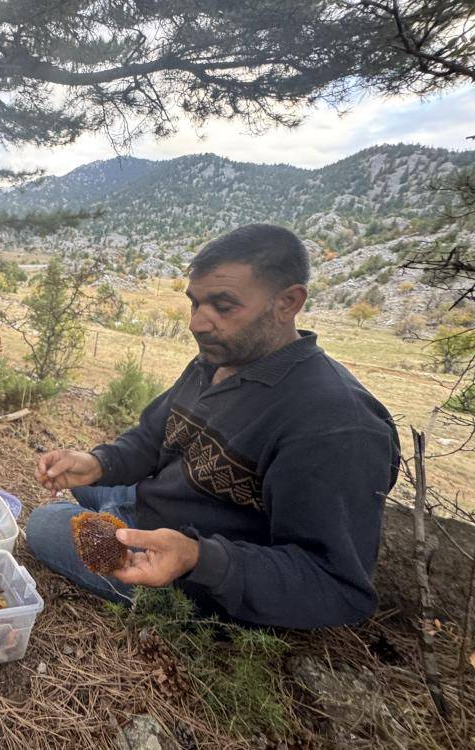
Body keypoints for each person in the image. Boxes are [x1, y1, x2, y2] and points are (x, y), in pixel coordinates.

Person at [27, 224, 400, 629]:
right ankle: (113, 508)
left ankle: (115, 521)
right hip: (156, 505)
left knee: (43, 522)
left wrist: (197, 558)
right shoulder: (219, 358)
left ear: (288, 303)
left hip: (186, 568)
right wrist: (100, 462)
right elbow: (152, 437)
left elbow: (336, 585)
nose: (197, 324)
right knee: (85, 481)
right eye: (195, 303)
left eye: (223, 306)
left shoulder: (336, 424)